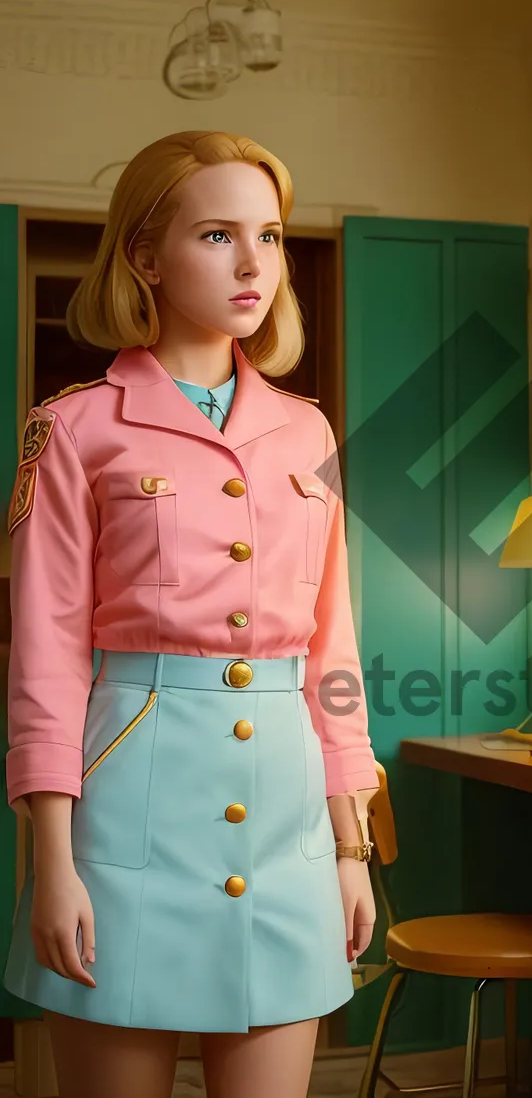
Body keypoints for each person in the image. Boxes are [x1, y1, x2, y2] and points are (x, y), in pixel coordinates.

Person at [3, 130, 379, 1098]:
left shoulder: (308, 429)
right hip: (125, 818)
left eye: (271, 234)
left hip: (290, 824)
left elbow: (333, 647)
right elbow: (43, 656)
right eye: (218, 234)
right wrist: (50, 861)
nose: (254, 263)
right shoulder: (73, 428)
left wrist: (350, 848)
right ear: (143, 255)